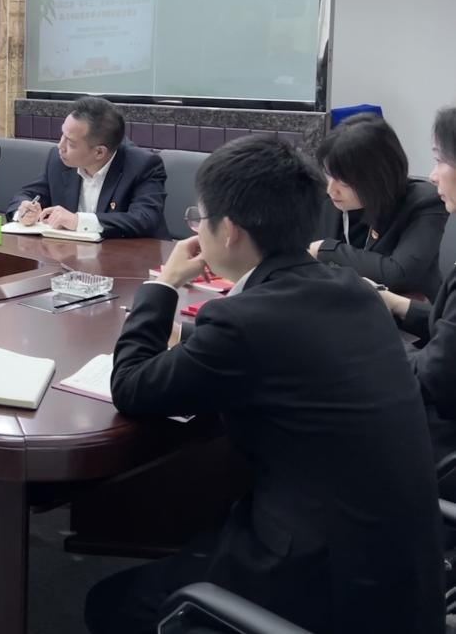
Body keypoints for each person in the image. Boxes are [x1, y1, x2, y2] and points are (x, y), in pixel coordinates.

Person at [87, 136, 444, 634]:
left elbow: (131, 386)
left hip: (324, 586)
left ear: (229, 230)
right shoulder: (351, 291)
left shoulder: (245, 322)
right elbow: (277, 348)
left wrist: (163, 284)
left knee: (109, 604)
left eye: (199, 217)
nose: (196, 228)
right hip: (407, 577)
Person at [379, 106, 456, 460]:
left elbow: (433, 379)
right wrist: (395, 304)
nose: (433, 175)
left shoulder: (421, 207)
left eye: (440, 160)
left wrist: (374, 337)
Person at [309, 113, 446, 298]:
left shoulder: (423, 202)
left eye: (344, 182)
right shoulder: (324, 197)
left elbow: (398, 274)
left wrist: (328, 250)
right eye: (328, 175)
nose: (331, 189)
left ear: (378, 177)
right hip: (337, 303)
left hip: (406, 308)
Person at [6, 96, 167, 238]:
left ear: (99, 152)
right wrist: (23, 212)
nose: (60, 146)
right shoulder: (58, 159)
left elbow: (145, 219)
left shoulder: (142, 165)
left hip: (129, 256)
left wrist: (79, 221)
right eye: (62, 135)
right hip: (70, 254)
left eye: (71, 143)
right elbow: (27, 195)